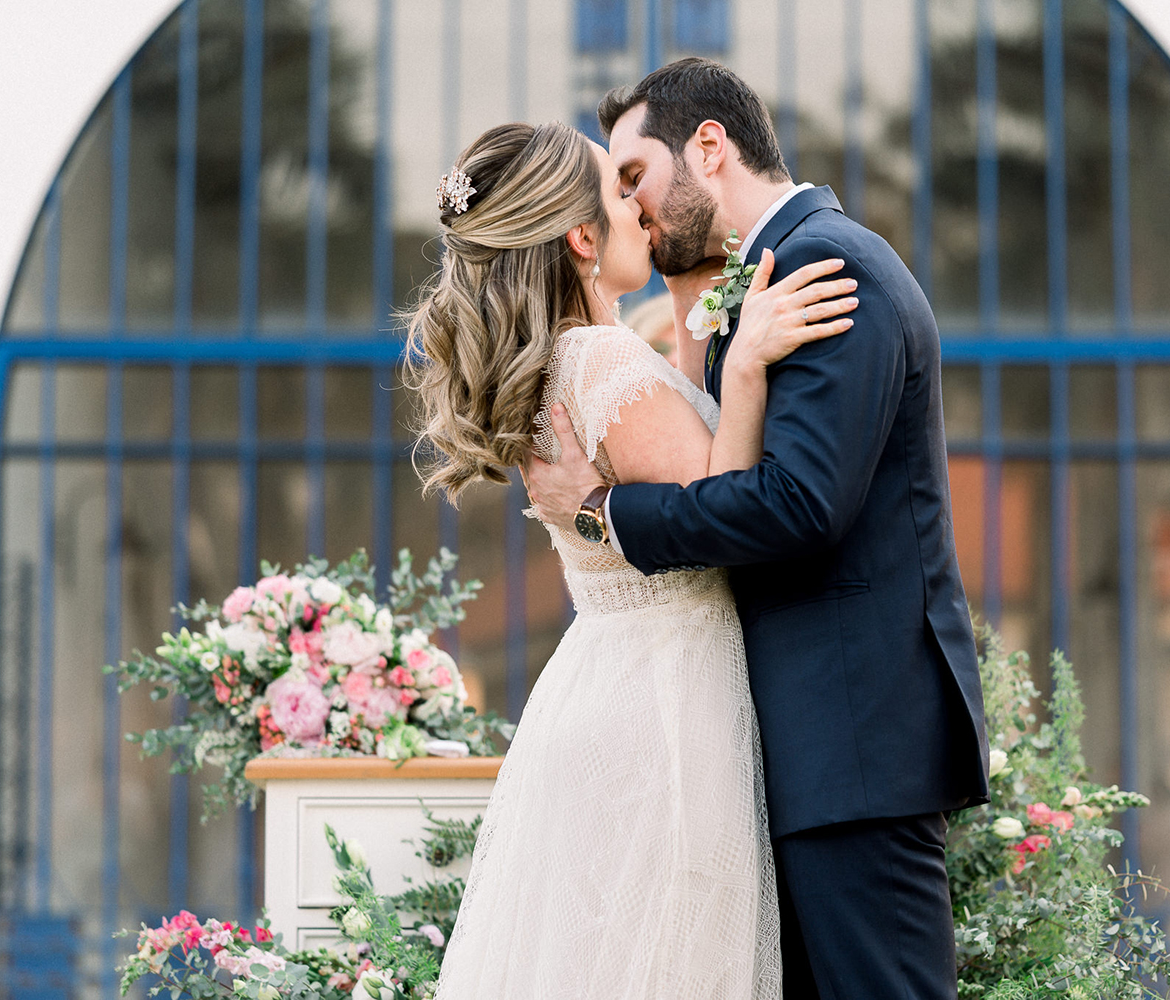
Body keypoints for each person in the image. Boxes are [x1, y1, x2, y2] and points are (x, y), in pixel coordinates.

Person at [524, 58, 991, 1000]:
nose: (632, 207)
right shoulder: (764, 278)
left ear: (709, 146)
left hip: (852, 741)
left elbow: (797, 505)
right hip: (810, 743)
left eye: (633, 176)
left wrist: (601, 512)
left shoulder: (830, 264)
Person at [404, 120, 857, 998]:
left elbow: (668, 440)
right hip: (666, 693)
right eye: (622, 194)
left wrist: (702, 321)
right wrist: (755, 361)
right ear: (581, 237)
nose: (642, 214)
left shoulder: (561, 363)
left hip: (608, 677)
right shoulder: (600, 356)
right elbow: (723, 508)